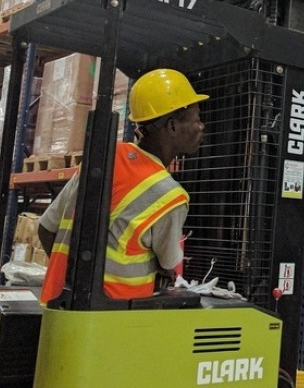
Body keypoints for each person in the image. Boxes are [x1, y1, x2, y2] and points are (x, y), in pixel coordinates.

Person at [37, 68, 207, 304]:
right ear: (173, 127)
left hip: (57, 309)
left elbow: (46, 229)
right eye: (196, 119)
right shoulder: (170, 195)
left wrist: (72, 286)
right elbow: (169, 265)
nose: (201, 127)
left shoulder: (105, 159)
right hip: (116, 323)